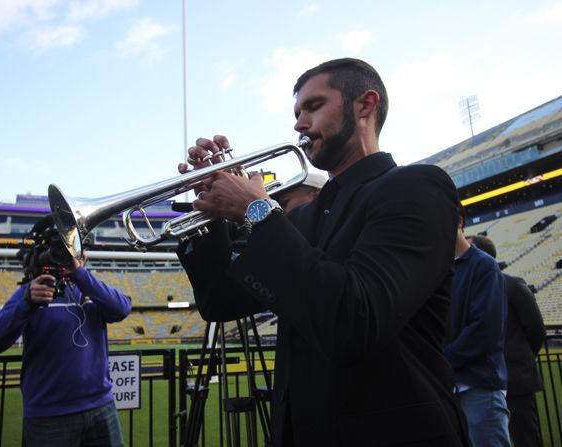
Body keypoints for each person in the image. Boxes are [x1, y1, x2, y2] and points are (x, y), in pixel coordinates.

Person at [177, 58, 469, 446]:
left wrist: (257, 210)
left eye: (313, 106)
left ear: (365, 105)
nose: (299, 123)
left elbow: (355, 320)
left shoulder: (417, 187)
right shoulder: (301, 220)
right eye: (297, 112)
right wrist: (211, 211)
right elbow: (219, 301)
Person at [0, 216, 132, 447]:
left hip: (101, 406)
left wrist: (80, 275)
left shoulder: (90, 288)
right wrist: (27, 303)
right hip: (49, 414)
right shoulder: (31, 292)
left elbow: (121, 309)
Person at [468, 234, 546, 447]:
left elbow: (536, 329)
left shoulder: (511, 284)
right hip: (483, 381)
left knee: (526, 438)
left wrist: (519, 359)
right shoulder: (469, 289)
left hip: (515, 380)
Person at [445, 218, 510, 446]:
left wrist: (443, 360)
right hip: (450, 386)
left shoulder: (484, 265)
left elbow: (483, 331)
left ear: (459, 222)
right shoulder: (440, 270)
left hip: (478, 386)